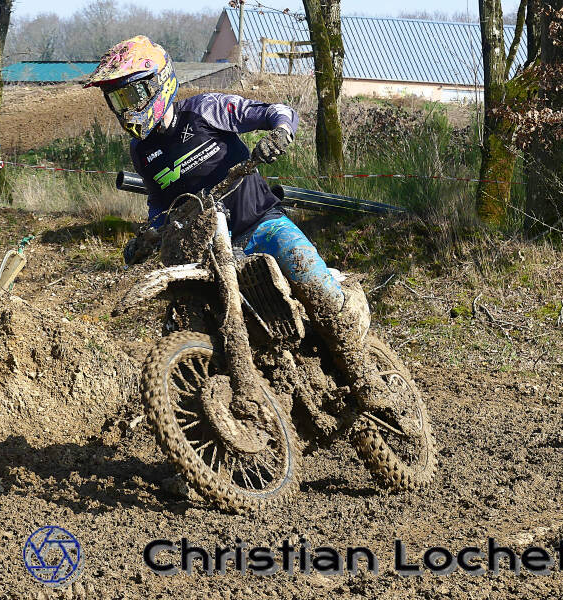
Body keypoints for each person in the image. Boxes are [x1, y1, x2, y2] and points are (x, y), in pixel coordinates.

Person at [85, 35, 389, 411]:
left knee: (315, 285)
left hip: (261, 224)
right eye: (117, 101)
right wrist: (149, 233)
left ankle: (369, 381)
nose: (126, 108)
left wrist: (280, 133)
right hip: (210, 250)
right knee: (195, 315)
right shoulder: (142, 151)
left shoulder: (205, 110)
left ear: (157, 83)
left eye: (131, 96)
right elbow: (160, 201)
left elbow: (278, 111)